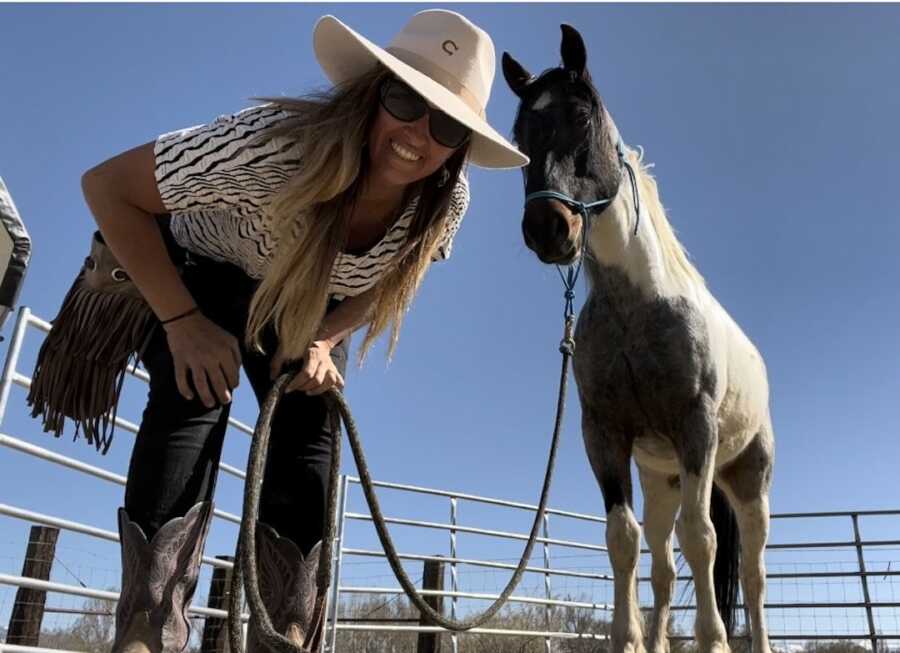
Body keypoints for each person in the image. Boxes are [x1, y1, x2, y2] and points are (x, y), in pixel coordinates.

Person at [80, 9, 527, 653]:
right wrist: (182, 321)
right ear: (371, 93)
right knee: (192, 395)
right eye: (404, 98)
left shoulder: (444, 202)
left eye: (449, 124)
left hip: (313, 305)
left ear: (460, 144)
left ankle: (286, 632)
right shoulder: (274, 143)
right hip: (207, 268)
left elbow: (386, 284)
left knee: (309, 431)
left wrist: (325, 338)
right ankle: (148, 630)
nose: (418, 133)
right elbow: (108, 187)